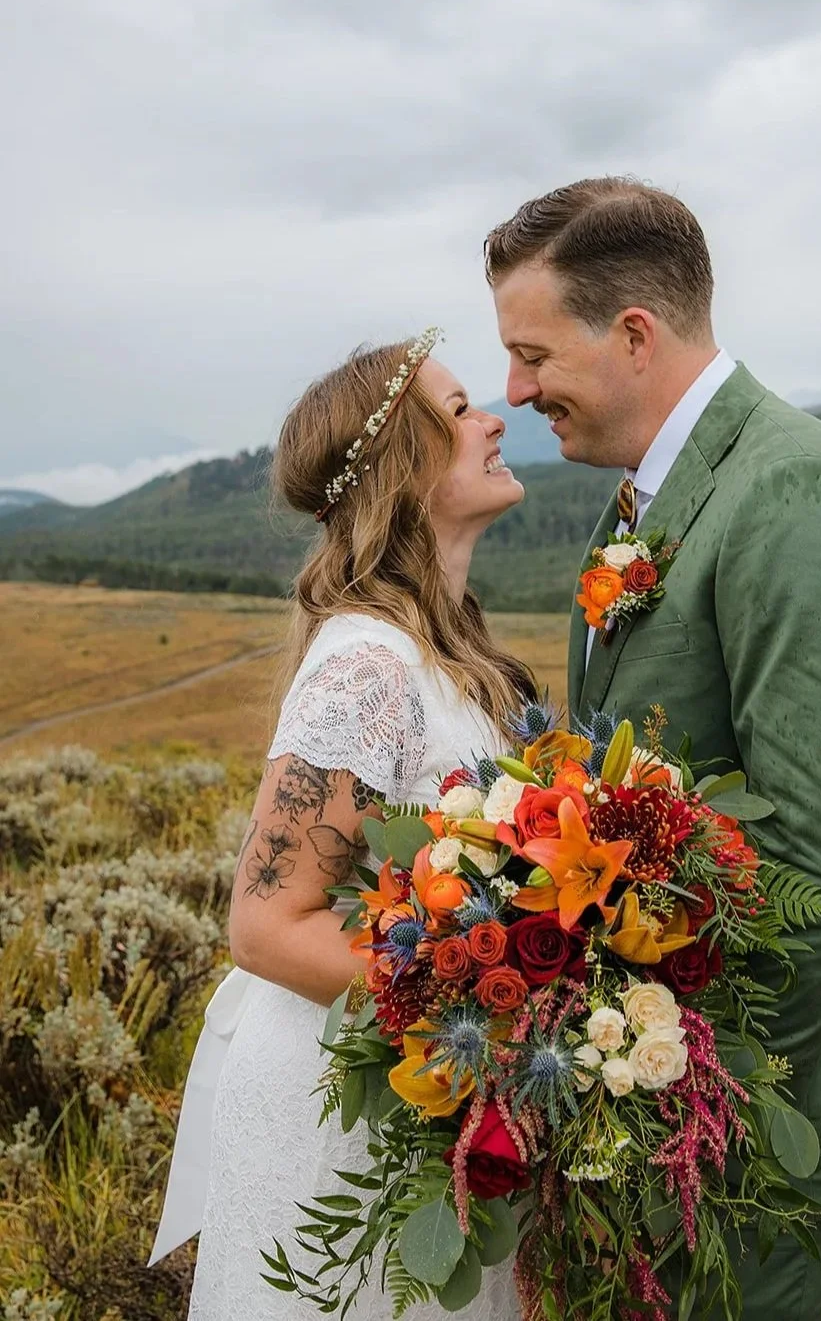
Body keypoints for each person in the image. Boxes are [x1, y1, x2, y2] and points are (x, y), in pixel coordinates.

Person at [485, 177, 821, 1321]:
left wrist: (675, 1095)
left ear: (636, 335)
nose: (515, 390)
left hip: (769, 1107)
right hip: (676, 1092)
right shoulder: (644, 503)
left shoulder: (793, 492)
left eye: (532, 353)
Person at [150, 329, 529, 1321]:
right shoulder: (367, 663)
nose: (494, 420)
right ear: (407, 468)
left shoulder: (451, 659)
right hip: (347, 1113)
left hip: (426, 1096)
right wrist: (491, 1018)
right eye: (459, 410)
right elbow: (269, 923)